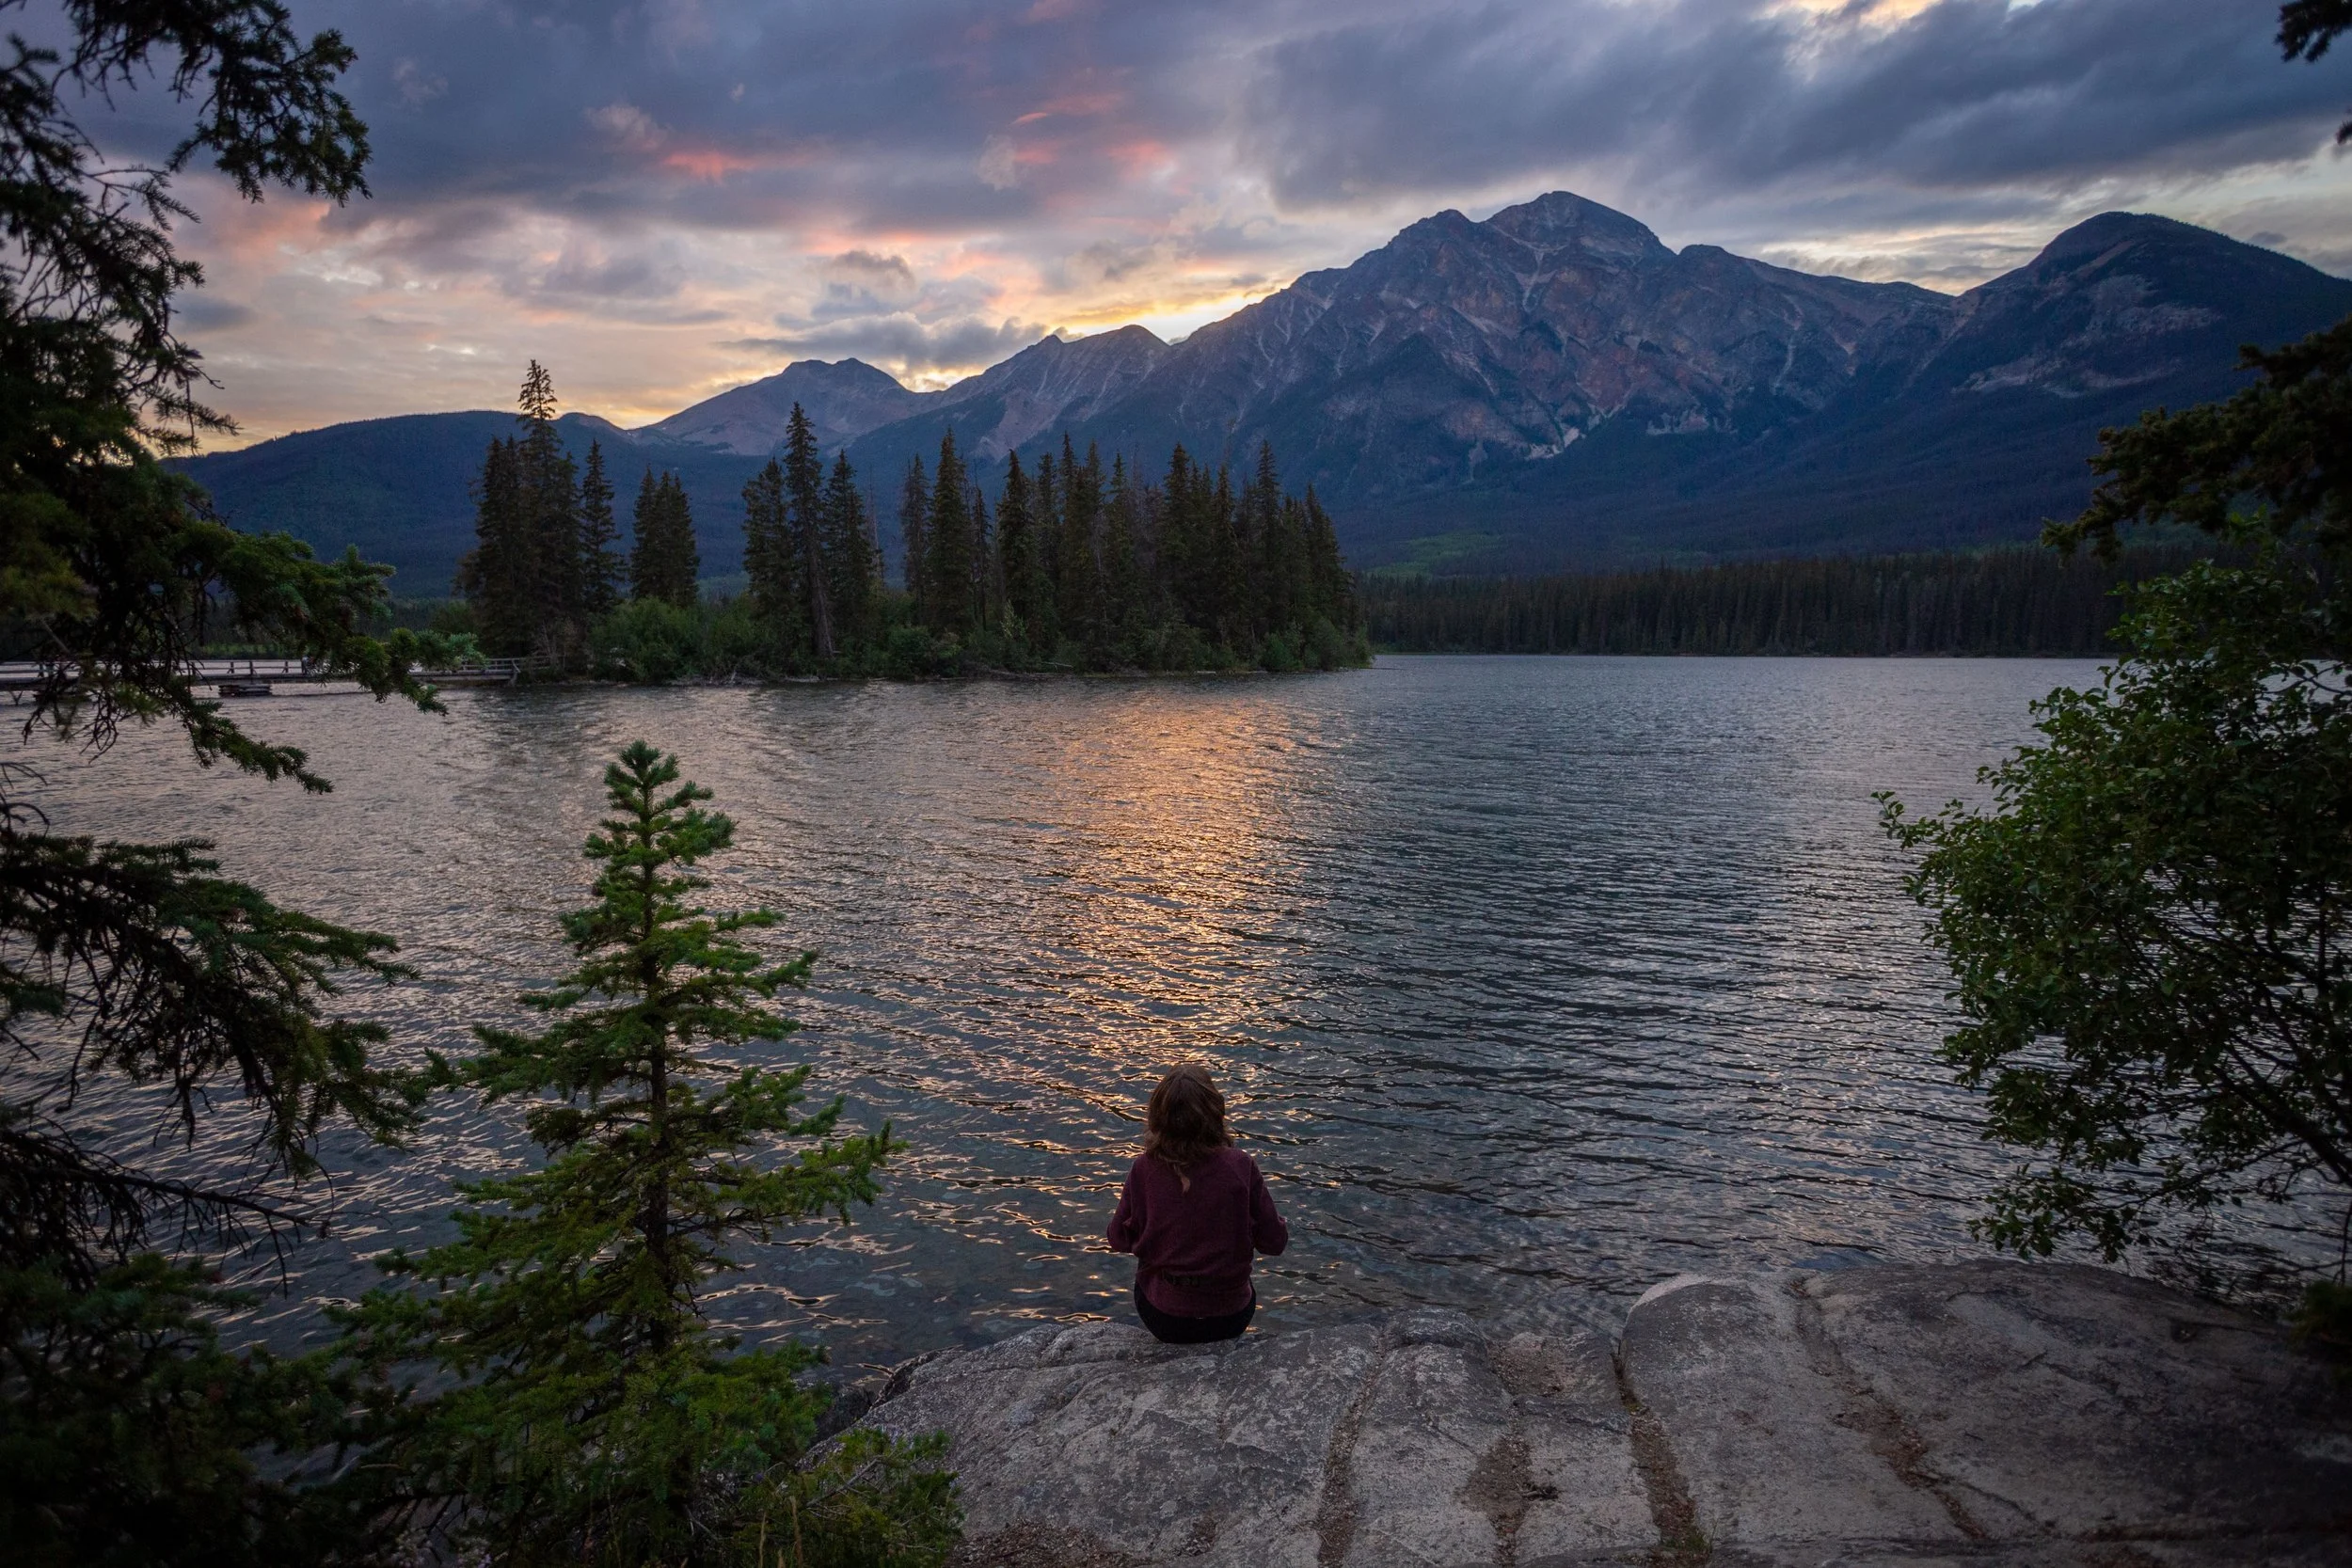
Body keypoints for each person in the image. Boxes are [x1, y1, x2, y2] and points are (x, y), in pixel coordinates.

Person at [1105, 1064, 1288, 1343]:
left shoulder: (1144, 1168)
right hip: (1230, 1317)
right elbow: (1274, 1243)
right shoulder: (1240, 1165)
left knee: (1150, 1273)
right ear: (1215, 1112)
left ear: (1157, 1116)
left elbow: (1118, 1239)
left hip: (1165, 1318)